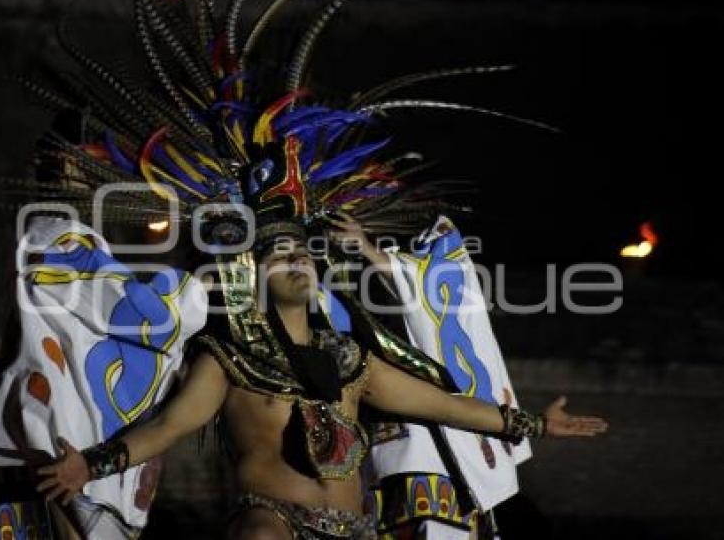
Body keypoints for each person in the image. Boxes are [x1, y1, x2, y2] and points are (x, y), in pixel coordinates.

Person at [35, 227, 606, 540]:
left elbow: (444, 405)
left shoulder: (349, 360)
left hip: (358, 530)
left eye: (306, 251)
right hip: (275, 524)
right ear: (253, 273)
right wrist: (90, 466)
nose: (299, 259)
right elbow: (170, 425)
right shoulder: (228, 360)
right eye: (282, 251)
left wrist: (532, 423)